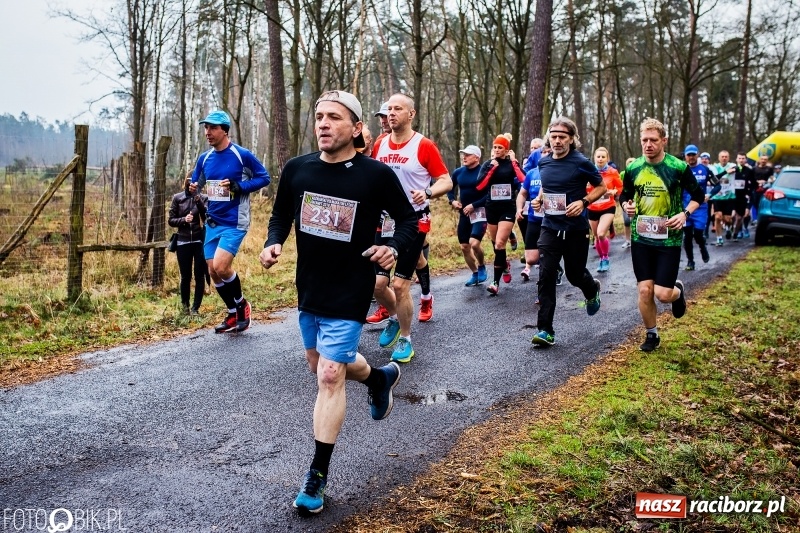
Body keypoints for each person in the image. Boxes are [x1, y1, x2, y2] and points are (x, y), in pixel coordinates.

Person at [260, 90, 418, 515]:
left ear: (356, 127)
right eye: (319, 117)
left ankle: (316, 476)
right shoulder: (298, 170)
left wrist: (393, 249)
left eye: (334, 117)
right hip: (310, 287)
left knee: (329, 374)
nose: (324, 124)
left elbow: (409, 221)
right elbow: (280, 216)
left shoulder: (375, 176)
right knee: (323, 365)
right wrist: (273, 243)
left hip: (352, 288)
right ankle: (379, 379)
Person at [369, 93, 452, 363]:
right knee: (377, 284)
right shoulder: (380, 144)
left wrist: (427, 192)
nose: (391, 113)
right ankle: (394, 317)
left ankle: (405, 338)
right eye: (388, 109)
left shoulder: (423, 145)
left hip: (414, 221)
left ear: (411, 114)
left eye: (397, 109)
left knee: (400, 285)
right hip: (384, 220)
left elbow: (446, 181)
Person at [619, 118, 705, 352]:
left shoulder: (678, 167)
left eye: (653, 140)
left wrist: (685, 214)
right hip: (642, 238)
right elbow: (624, 195)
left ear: (664, 141)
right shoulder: (634, 168)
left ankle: (677, 294)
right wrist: (627, 206)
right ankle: (652, 334)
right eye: (644, 140)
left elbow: (699, 195)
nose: (648, 145)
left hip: (669, 238)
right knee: (645, 290)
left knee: (663, 294)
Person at [189, 110, 270, 333]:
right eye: (206, 128)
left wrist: (239, 186)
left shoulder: (241, 154)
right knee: (213, 272)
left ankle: (243, 306)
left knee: (221, 266)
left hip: (235, 221)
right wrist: (192, 188)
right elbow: (195, 183)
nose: (208, 132)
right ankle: (233, 314)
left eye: (213, 128)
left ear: (225, 130)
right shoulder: (204, 158)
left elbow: (265, 177)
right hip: (213, 221)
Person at [529, 117, 606, 347]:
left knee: (574, 275)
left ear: (572, 139)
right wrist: (539, 199)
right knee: (546, 276)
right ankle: (545, 330)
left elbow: (601, 187)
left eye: (562, 137)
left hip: (575, 229)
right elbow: (546, 184)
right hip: (550, 227)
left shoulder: (581, 162)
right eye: (553, 136)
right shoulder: (543, 163)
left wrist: (584, 201)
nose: (557, 141)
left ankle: (591, 289)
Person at [475, 133, 526, 295]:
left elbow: (523, 179)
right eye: (495, 147)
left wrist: (514, 163)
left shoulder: (511, 164)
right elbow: (480, 186)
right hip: (491, 207)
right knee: (495, 243)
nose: (496, 150)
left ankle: (495, 283)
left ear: (506, 150)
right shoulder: (488, 164)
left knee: (499, 244)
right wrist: (492, 168)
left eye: (500, 147)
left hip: (507, 208)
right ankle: (504, 264)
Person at [448, 145, 489, 286]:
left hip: (480, 212)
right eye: (463, 154)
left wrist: (474, 205)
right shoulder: (458, 172)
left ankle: (482, 266)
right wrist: (452, 201)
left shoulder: (484, 172)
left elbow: (489, 194)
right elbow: (449, 188)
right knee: (464, 246)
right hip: (464, 213)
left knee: (474, 243)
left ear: (477, 157)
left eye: (468, 154)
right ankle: (475, 273)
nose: (464, 157)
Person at [168, 176, 209, 314]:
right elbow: (171, 220)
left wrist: (197, 200)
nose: (192, 184)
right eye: (190, 180)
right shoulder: (178, 198)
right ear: (186, 182)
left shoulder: (203, 198)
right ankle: (185, 307)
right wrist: (184, 220)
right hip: (183, 242)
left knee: (200, 275)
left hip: (199, 241)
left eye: (195, 182)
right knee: (185, 276)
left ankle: (195, 308)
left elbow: (206, 217)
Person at [587, 147, 623, 272]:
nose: (601, 159)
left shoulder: (613, 172)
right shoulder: (589, 172)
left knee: (602, 233)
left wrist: (613, 191)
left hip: (608, 206)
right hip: (592, 207)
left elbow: (620, 187)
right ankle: (601, 259)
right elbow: (584, 189)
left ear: (607, 158)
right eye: (598, 157)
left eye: (603, 157)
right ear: (594, 158)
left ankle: (606, 258)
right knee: (597, 236)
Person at [681, 145, 717, 270]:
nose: (691, 157)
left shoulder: (705, 169)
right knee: (687, 236)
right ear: (685, 156)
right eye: (688, 155)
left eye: (693, 154)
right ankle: (690, 262)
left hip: (700, 207)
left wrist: (710, 194)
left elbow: (717, 185)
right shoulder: (681, 169)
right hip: (685, 208)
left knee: (698, 234)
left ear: (697, 155)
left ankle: (702, 247)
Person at [709, 150, 737, 246]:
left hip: (729, 197)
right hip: (718, 196)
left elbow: (739, 168)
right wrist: (726, 172)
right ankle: (719, 238)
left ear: (728, 158)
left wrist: (735, 169)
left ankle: (728, 228)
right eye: (722, 156)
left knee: (728, 219)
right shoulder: (714, 167)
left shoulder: (732, 165)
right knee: (718, 217)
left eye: (726, 156)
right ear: (719, 158)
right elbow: (713, 179)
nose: (724, 158)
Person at [732, 152, 757, 240]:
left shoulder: (749, 171)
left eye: (743, 158)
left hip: (744, 196)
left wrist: (749, 194)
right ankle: (732, 229)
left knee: (741, 217)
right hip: (733, 195)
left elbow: (754, 184)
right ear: (736, 159)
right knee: (733, 215)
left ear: (746, 160)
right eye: (740, 158)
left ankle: (738, 231)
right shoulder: (732, 169)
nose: (741, 160)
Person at [618, 157, 636, 248]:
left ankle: (635, 239)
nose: (630, 164)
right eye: (628, 162)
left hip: (637, 200)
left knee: (635, 221)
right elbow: (620, 186)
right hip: (626, 199)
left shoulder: (639, 173)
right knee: (626, 221)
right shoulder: (622, 174)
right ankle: (627, 240)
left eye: (632, 162)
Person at [751, 155, 774, 224]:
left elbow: (772, 178)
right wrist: (757, 182)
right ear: (759, 160)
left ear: (767, 161)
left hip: (765, 189)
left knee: (763, 204)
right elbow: (751, 178)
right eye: (762, 159)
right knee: (755, 203)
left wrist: (767, 181)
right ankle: (755, 219)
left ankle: (761, 218)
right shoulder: (754, 169)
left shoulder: (769, 169)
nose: (763, 161)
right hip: (755, 189)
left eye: (765, 159)